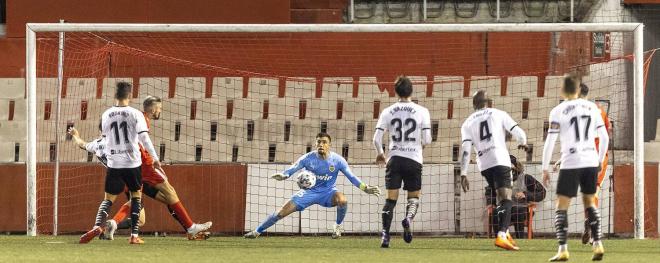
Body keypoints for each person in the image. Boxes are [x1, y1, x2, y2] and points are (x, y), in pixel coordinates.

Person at [102, 96, 212, 241]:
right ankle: (191, 228)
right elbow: (142, 142)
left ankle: (113, 224)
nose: (160, 111)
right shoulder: (142, 119)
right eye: (159, 108)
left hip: (127, 166)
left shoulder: (129, 118)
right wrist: (154, 159)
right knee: (170, 192)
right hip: (143, 164)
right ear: (153, 109)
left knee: (140, 208)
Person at [243, 132, 381, 239]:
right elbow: (293, 168)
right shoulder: (307, 158)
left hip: (328, 192)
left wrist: (365, 188)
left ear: (329, 145)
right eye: (319, 142)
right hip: (308, 193)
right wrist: (284, 175)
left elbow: (352, 177)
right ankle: (257, 232)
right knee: (280, 213)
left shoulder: (338, 160)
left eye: (324, 142)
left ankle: (337, 227)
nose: (321, 144)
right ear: (315, 144)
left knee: (342, 200)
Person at [79, 81, 161, 244]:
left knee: (108, 199)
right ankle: (134, 236)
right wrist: (155, 158)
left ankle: (97, 226)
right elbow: (144, 138)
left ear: (115, 96)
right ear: (129, 96)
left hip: (114, 163)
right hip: (132, 162)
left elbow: (105, 139)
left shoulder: (106, 115)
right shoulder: (136, 114)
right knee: (136, 197)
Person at [542, 74, 609, 261]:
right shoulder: (593, 108)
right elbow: (604, 138)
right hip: (590, 161)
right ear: (578, 89)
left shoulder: (558, 110)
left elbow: (550, 141)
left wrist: (545, 167)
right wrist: (598, 159)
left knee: (561, 207)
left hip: (570, 162)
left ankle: (563, 249)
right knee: (590, 203)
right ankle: (598, 245)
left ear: (563, 90)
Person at [459, 90, 528, 251]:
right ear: (487, 103)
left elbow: (465, 151)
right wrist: (523, 141)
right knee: (506, 199)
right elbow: (518, 132)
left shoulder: (467, 123)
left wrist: (463, 173)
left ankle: (505, 234)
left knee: (500, 198)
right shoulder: (499, 113)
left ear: (474, 104)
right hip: (500, 159)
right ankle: (502, 235)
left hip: (484, 165)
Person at [372, 76, 432, 248]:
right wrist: (419, 147)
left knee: (390, 200)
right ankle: (408, 219)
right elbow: (427, 139)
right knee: (414, 198)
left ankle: (385, 235)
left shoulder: (388, 111)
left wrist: (380, 154)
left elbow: (376, 139)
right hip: (414, 160)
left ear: (395, 91)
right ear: (411, 90)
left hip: (395, 159)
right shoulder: (422, 111)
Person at [68, 124, 147, 231]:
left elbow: (82, 144)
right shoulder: (121, 142)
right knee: (136, 201)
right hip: (130, 176)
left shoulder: (96, 144)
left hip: (114, 175)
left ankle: (104, 227)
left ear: (101, 131)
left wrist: (75, 135)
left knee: (140, 219)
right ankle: (124, 231)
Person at [487, 155, 545, 239]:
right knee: (495, 212)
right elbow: (489, 191)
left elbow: (542, 192)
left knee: (518, 211)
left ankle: (520, 239)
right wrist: (490, 202)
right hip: (504, 208)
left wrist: (525, 194)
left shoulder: (526, 178)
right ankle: (499, 239)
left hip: (522, 209)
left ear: (515, 168)